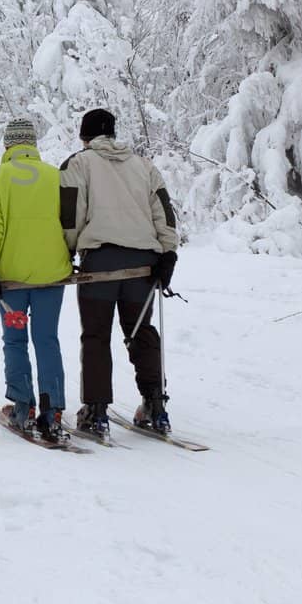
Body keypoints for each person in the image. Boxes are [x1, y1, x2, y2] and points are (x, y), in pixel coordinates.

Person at [59, 108, 179, 438]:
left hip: (100, 265)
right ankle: (155, 404)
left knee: (96, 335)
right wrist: (169, 253)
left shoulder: (77, 164)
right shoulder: (144, 165)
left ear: (85, 136)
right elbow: (164, 213)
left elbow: (70, 215)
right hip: (143, 265)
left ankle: (96, 411)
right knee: (141, 331)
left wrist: (66, 251)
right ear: (112, 134)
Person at [0, 118, 75, 440]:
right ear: (33, 144)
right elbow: (70, 224)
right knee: (47, 340)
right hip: (51, 276)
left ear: (7, 145)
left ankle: (23, 407)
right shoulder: (54, 176)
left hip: (11, 281)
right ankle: (52, 410)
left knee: (15, 340)